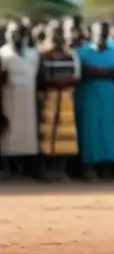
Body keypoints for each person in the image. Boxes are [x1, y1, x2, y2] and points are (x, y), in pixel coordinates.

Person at [75, 21, 114, 180]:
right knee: (90, 132)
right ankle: (89, 168)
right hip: (89, 98)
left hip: (109, 99)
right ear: (91, 33)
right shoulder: (82, 52)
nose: (101, 36)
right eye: (98, 32)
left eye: (104, 33)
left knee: (108, 132)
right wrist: (107, 73)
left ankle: (106, 167)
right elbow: (84, 72)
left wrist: (97, 72)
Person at [37, 21, 81, 181]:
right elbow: (43, 77)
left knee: (65, 134)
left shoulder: (69, 55)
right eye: (54, 34)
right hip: (50, 98)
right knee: (48, 133)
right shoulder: (44, 55)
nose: (57, 37)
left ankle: (60, 169)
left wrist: (66, 82)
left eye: (59, 34)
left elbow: (74, 76)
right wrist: (58, 82)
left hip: (65, 100)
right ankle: (46, 169)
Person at [0, 20, 40, 179]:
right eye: (9, 32)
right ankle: (6, 168)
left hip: (28, 96)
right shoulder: (2, 53)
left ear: (23, 34)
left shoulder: (33, 54)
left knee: (25, 132)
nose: (12, 35)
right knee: (8, 133)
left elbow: (34, 73)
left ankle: (22, 169)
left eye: (16, 32)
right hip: (9, 96)